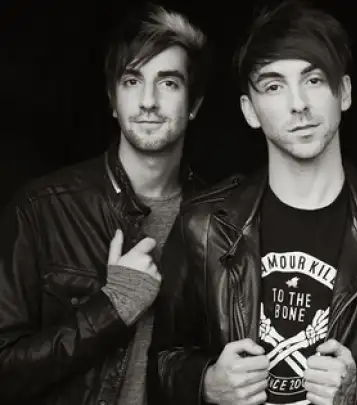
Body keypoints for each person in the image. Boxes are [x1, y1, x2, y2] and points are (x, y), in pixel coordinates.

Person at [147, 2, 357, 405]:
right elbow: (162, 361)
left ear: (345, 92)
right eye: (274, 86)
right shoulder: (203, 225)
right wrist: (205, 383)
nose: (298, 103)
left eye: (314, 79)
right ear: (250, 111)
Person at [0, 4, 208, 404]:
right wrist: (111, 307)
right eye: (132, 81)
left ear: (194, 103)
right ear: (113, 100)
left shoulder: (219, 222)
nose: (148, 101)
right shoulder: (42, 209)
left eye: (168, 83)